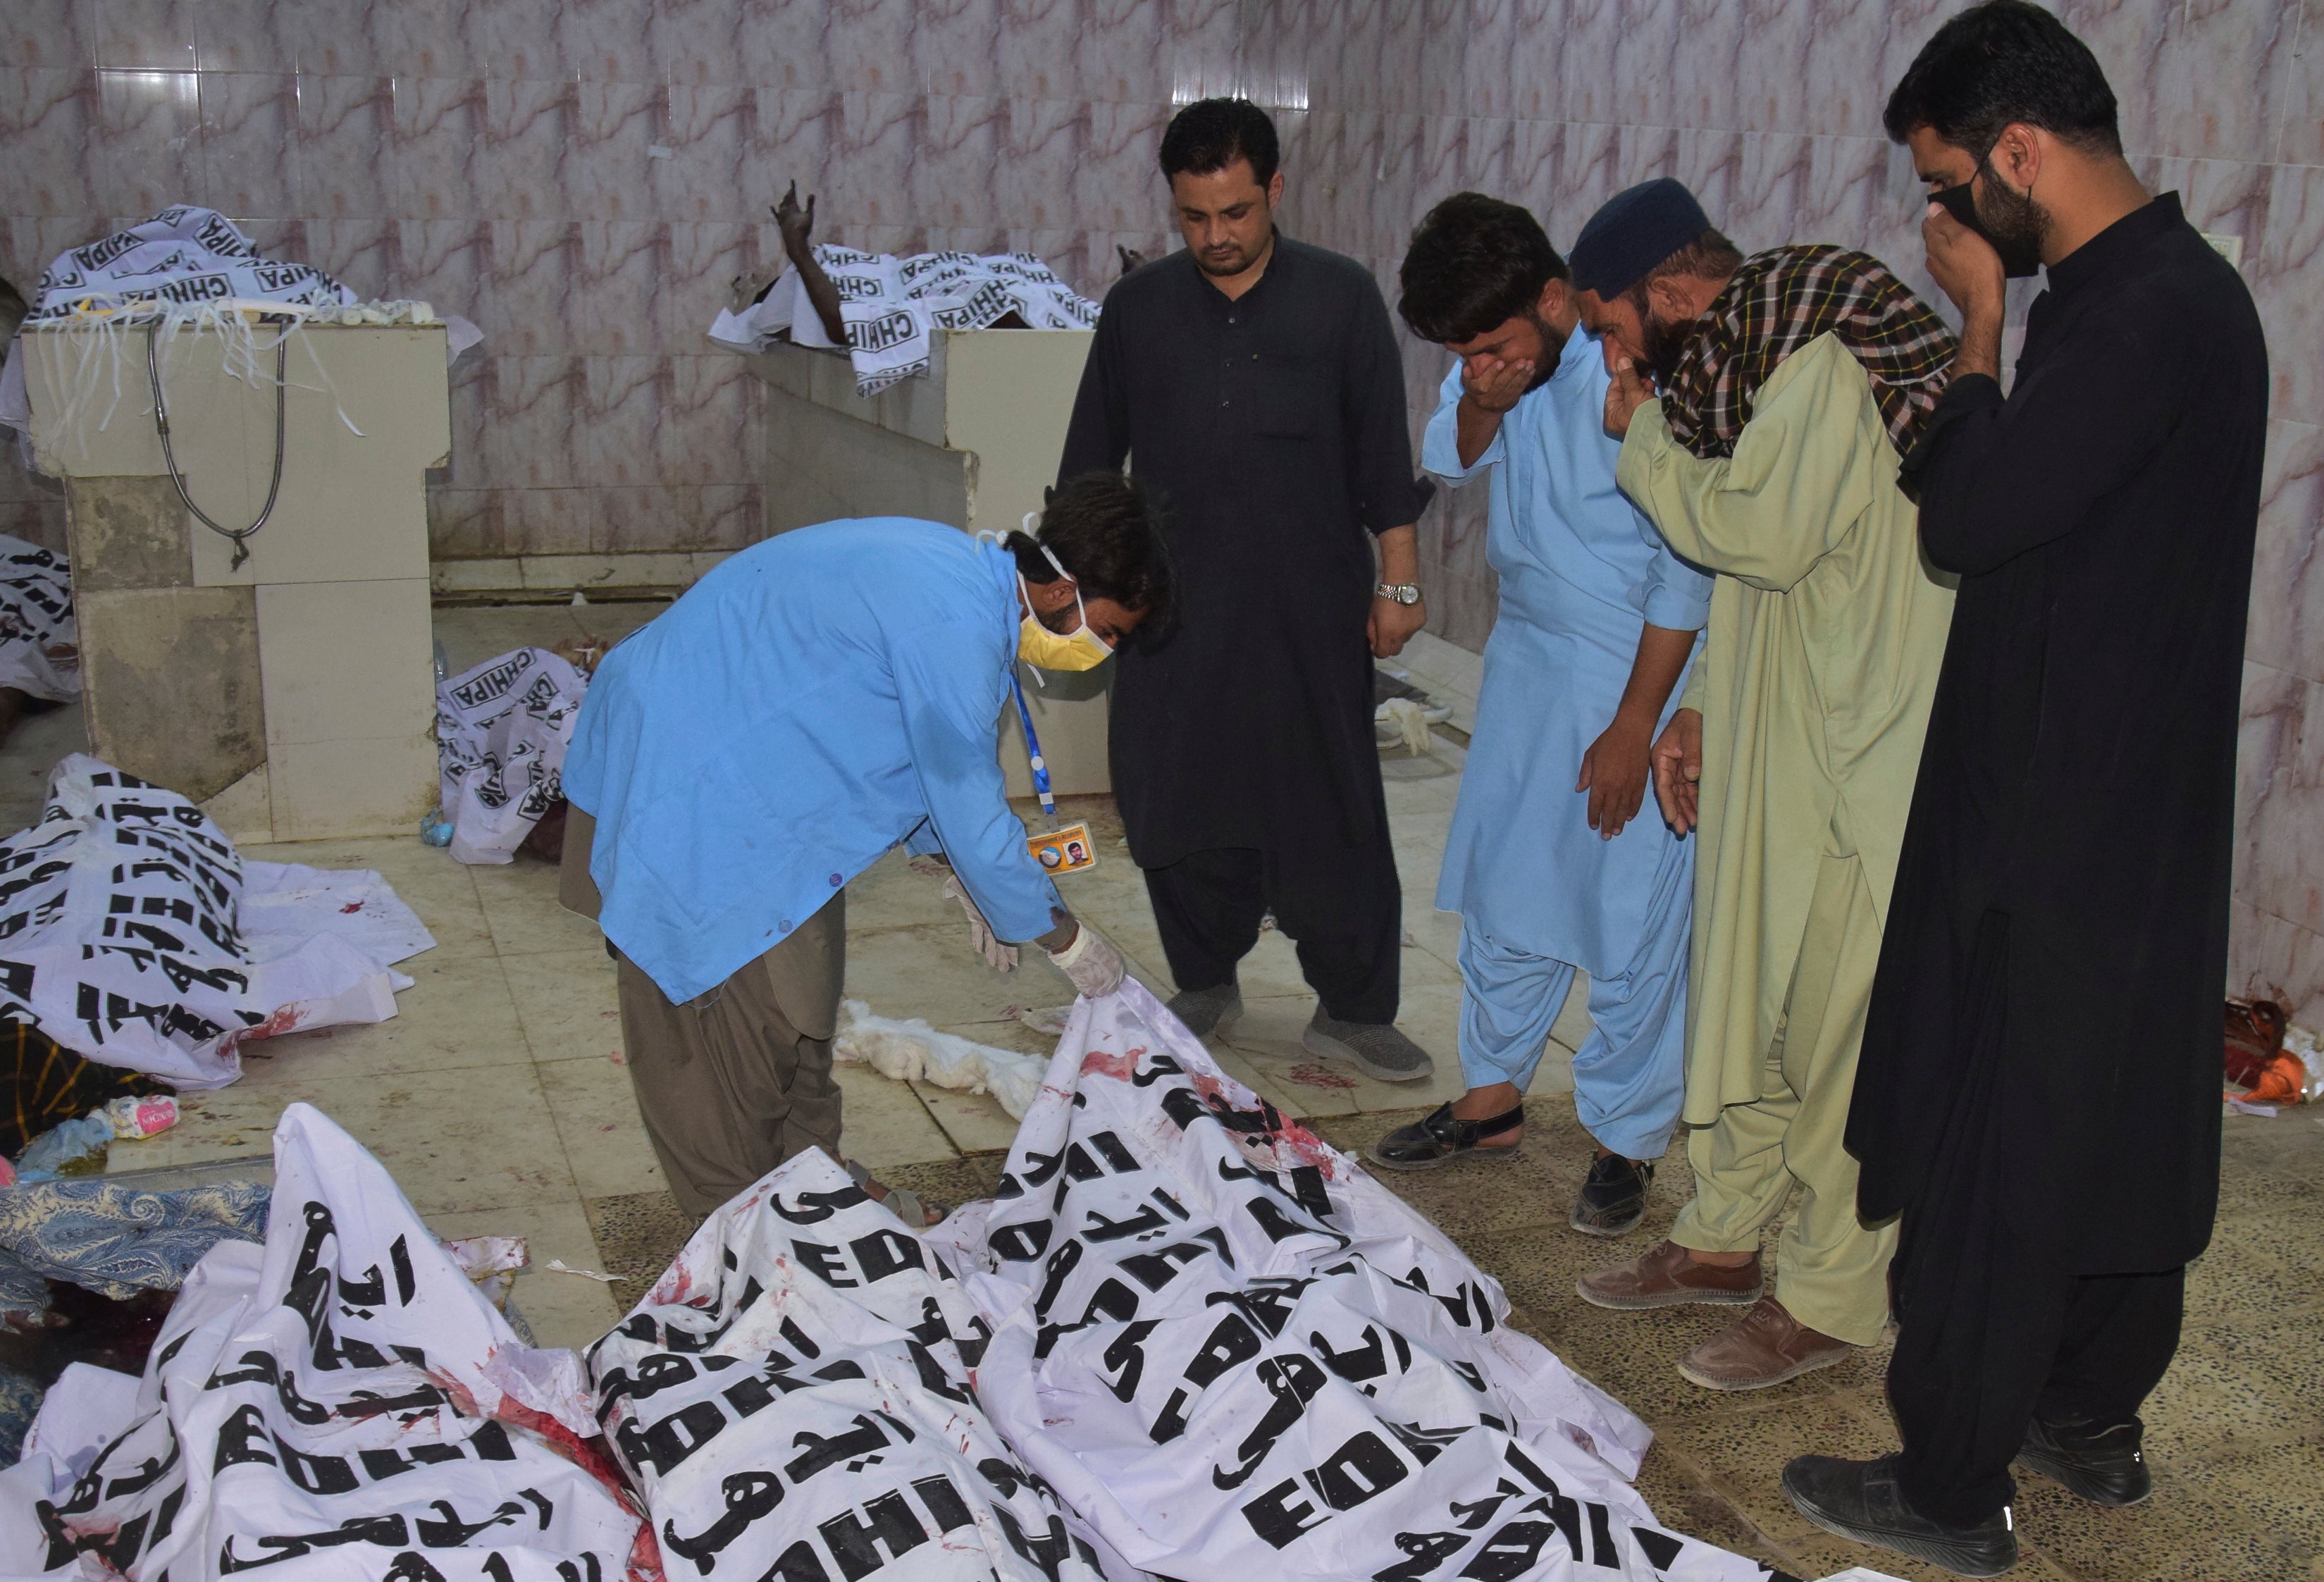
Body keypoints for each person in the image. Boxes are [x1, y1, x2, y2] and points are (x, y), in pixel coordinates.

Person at [1788, 1, 2269, 1578]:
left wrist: (1977, 328)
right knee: (2109, 1109)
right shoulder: (2177, 300)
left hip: (2053, 808)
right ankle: (2085, 1407)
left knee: (2005, 1128)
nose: (1941, 220)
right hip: (2128, 790)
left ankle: (1947, 1479)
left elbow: (1967, 517)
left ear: (2018, 152)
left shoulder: (2130, 320)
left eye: (1947, 184)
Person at [1564, 178, 1963, 1395]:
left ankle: (1833, 1298)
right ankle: (1721, 1238)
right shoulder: (1760, 360)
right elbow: (1776, 574)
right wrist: (1701, 711)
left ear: (1668, 293)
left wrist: (1637, 439)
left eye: (1612, 328)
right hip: (1782, 734)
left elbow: (1758, 534)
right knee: (1746, 992)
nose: (1612, 358)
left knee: (1840, 1023)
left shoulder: (1822, 365)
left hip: (1864, 757)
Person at [556, 476, 1170, 1216]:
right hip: (696, 788)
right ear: (1060, 588)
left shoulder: (960, 577)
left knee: (801, 1012)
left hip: (725, 752)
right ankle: (739, 1233)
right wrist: (1065, 939)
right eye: (1108, 630)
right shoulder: (953, 619)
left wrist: (951, 862)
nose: (1102, 650)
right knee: (724, 1038)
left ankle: (815, 1188)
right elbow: (964, 793)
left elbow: (900, 744)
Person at [1059, 96, 1438, 1082]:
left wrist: (1397, 583)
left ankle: (1354, 1005)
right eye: (1194, 217)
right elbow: (1093, 469)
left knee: (1332, 798)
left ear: (1274, 189)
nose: (1216, 237)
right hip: (1170, 611)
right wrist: (1078, 597)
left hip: (1310, 609)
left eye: (1235, 212)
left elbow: (1384, 459)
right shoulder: (1138, 314)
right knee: (1174, 792)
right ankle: (1207, 974)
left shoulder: (1340, 298)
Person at [1367, 193, 1709, 1240]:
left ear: (1557, 299)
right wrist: (1486, 396)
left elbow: (1688, 567)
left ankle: (1628, 1134)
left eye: (1494, 343)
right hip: (1528, 661)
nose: (1482, 360)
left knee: (1631, 906)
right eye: (1464, 349)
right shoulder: (1504, 370)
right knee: (1509, 888)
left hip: (1635, 670)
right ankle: (1494, 1095)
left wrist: (1635, 724)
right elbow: (1450, 455)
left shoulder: (1643, 371)